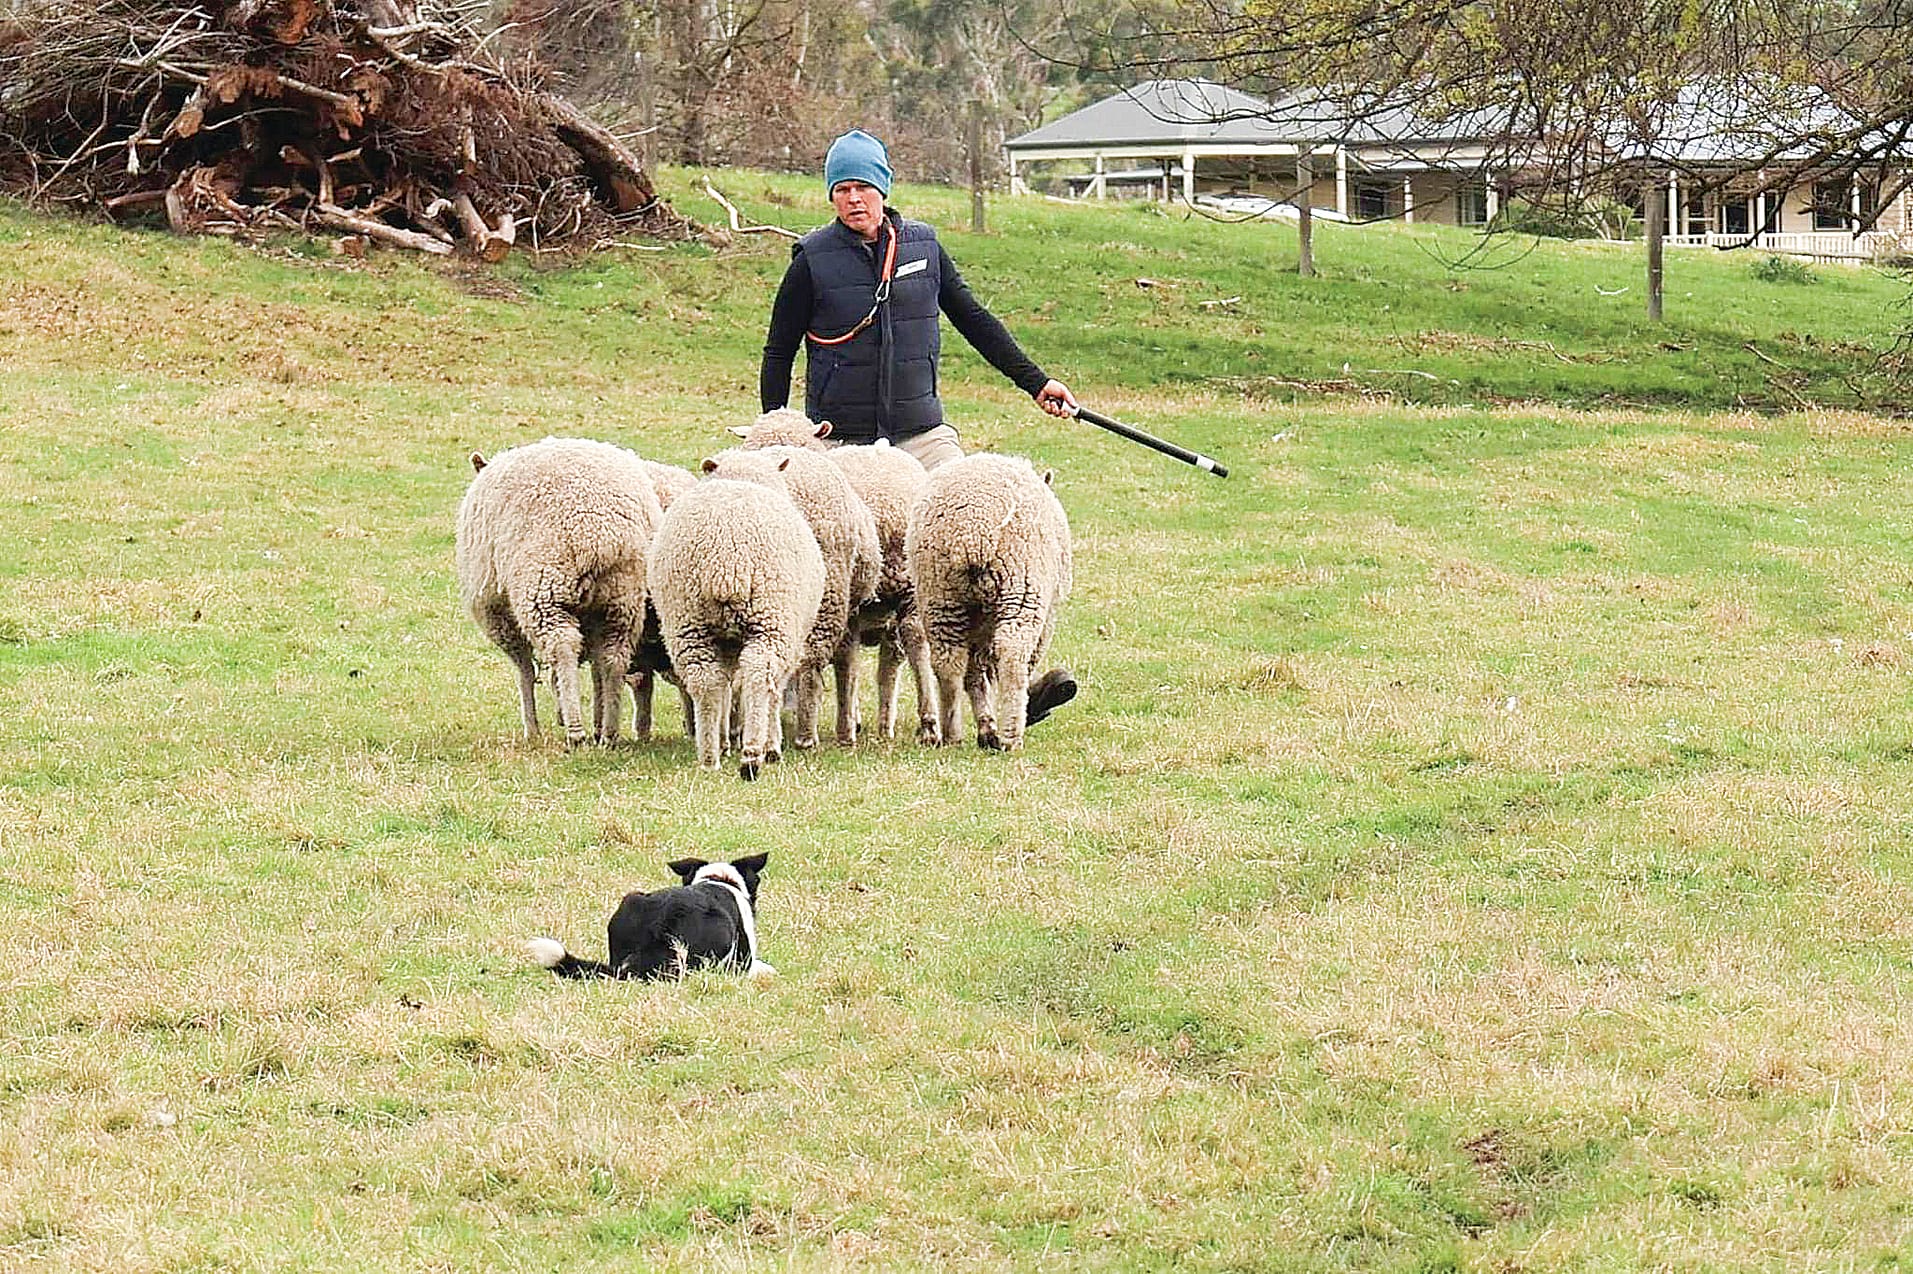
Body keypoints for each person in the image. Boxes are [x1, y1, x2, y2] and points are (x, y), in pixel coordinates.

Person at [759, 128, 1077, 725]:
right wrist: (775, 436)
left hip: (921, 433)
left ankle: (1011, 685)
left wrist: (1037, 382)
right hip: (841, 441)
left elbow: (974, 319)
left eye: (863, 186)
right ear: (831, 196)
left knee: (987, 539)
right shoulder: (812, 259)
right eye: (842, 189)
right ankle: (787, 695)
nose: (854, 199)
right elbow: (779, 351)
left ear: (884, 188)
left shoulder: (924, 248)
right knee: (821, 566)